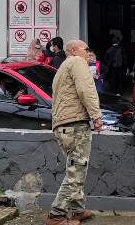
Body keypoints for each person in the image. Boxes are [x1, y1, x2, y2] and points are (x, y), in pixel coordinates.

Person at [47, 40, 103, 225]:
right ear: (72, 50)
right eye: (85, 49)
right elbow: (86, 90)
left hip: (63, 124)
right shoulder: (77, 63)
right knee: (76, 171)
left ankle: (77, 210)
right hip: (75, 124)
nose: (88, 52)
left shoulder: (63, 67)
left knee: (76, 167)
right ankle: (56, 214)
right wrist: (96, 116)